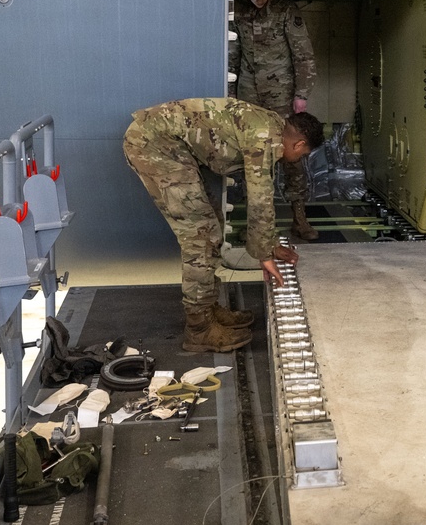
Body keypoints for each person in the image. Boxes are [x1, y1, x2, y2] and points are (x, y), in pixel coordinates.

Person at [123, 98, 324, 353]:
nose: (297, 159)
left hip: (168, 144)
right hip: (154, 145)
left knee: (212, 224)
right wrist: (264, 255)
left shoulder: (273, 126)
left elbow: (264, 192)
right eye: (302, 155)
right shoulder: (264, 138)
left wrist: (270, 244)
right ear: (299, 144)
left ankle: (207, 308)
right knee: (201, 236)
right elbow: (260, 198)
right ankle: (198, 328)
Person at [229, 0, 319, 241]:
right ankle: (255, 224)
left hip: (281, 96)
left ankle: (299, 220)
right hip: (249, 97)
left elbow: (303, 55)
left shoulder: (285, 10)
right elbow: (233, 52)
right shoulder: (238, 12)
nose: (260, 0)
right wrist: (230, 94)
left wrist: (301, 94)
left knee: (292, 158)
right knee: (253, 160)